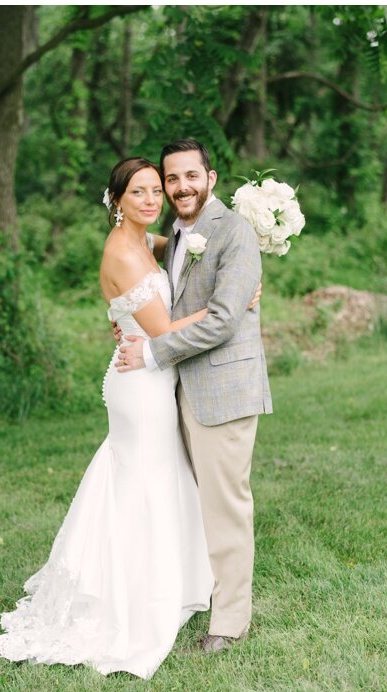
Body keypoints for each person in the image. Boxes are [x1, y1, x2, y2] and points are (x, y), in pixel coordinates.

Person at [0, 155, 260, 679]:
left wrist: (238, 270)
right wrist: (232, 302)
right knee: (142, 482)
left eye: (154, 191)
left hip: (157, 378)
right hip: (141, 380)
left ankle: (175, 583)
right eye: (138, 192)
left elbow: (181, 255)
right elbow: (162, 329)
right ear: (116, 202)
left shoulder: (151, 242)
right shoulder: (123, 253)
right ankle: (133, 597)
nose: (152, 200)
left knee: (162, 480)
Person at [115, 139, 271, 654]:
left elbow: (226, 319)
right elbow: (147, 265)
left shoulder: (235, 233)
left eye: (190, 177)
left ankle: (229, 622)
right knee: (190, 501)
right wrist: (125, 314)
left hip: (223, 388)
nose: (180, 187)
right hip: (180, 392)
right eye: (170, 179)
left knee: (225, 507)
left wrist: (154, 351)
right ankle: (195, 593)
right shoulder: (179, 235)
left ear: (212, 177)